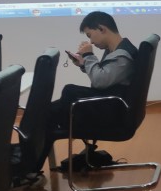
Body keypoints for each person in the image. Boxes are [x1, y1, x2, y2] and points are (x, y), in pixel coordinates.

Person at [47, 11, 138, 157]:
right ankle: (32, 157)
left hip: (112, 113)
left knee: (68, 92)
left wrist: (89, 55)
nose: (91, 42)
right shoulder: (116, 50)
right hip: (110, 105)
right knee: (48, 111)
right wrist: (84, 64)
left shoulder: (122, 55)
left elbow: (99, 82)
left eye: (90, 35)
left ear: (102, 29)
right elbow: (105, 76)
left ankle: (31, 159)